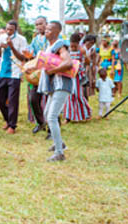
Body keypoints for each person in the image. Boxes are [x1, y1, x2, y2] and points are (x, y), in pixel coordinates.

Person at [38, 20, 74, 162]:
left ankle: (59, 153)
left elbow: (68, 63)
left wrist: (52, 71)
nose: (46, 30)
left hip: (62, 84)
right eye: (46, 29)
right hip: (54, 86)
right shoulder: (49, 46)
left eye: (49, 29)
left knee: (52, 117)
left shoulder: (60, 45)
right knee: (48, 114)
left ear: (57, 32)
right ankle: (60, 143)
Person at [0, 19, 29, 133]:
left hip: (14, 73)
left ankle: (12, 126)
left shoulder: (21, 40)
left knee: (13, 101)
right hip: (2, 72)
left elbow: (23, 58)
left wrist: (12, 46)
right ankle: (7, 120)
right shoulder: (2, 37)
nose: (9, 31)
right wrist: (0, 47)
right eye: (7, 29)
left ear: (15, 29)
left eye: (11, 29)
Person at [63, 31, 92, 123]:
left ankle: (86, 113)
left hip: (78, 76)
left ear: (78, 44)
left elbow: (88, 62)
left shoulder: (82, 50)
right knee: (69, 95)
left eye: (75, 46)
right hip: (69, 75)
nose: (73, 48)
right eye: (71, 46)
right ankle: (68, 116)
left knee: (78, 95)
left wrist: (84, 55)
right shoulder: (67, 50)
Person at [27, 16, 49, 133]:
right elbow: (31, 53)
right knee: (33, 98)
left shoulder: (53, 37)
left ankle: (53, 126)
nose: (38, 26)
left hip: (50, 72)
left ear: (47, 24)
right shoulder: (35, 40)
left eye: (41, 23)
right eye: (36, 24)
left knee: (51, 100)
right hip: (37, 74)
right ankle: (40, 122)